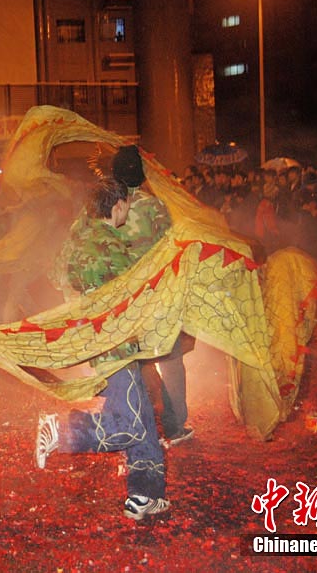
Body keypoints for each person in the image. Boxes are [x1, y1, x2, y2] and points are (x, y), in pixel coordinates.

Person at [37, 177, 169, 521]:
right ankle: (62, 432)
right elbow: (141, 290)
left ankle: (145, 494)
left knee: (142, 419)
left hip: (102, 343)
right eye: (126, 204)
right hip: (116, 348)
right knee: (129, 425)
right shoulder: (111, 246)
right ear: (118, 206)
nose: (128, 209)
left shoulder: (80, 239)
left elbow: (56, 275)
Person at [110, 145, 193, 446]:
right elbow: (172, 251)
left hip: (123, 302)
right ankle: (174, 426)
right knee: (170, 359)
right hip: (156, 298)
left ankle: (131, 424)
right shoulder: (156, 208)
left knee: (129, 363)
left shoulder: (109, 207)